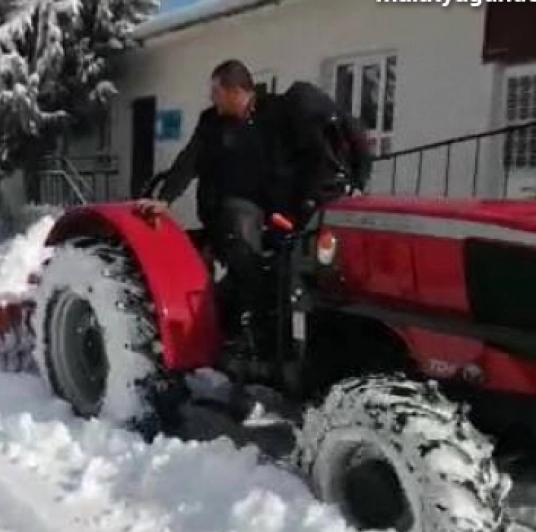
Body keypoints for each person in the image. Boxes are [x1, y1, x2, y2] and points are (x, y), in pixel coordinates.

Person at [135, 60, 372, 378]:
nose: (212, 98)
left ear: (236, 91)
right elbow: (189, 160)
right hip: (231, 217)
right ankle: (250, 330)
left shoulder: (278, 114)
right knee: (239, 228)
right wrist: (164, 198)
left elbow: (310, 159)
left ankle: (279, 337)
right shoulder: (211, 123)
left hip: (281, 215)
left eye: (216, 92)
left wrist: (308, 204)